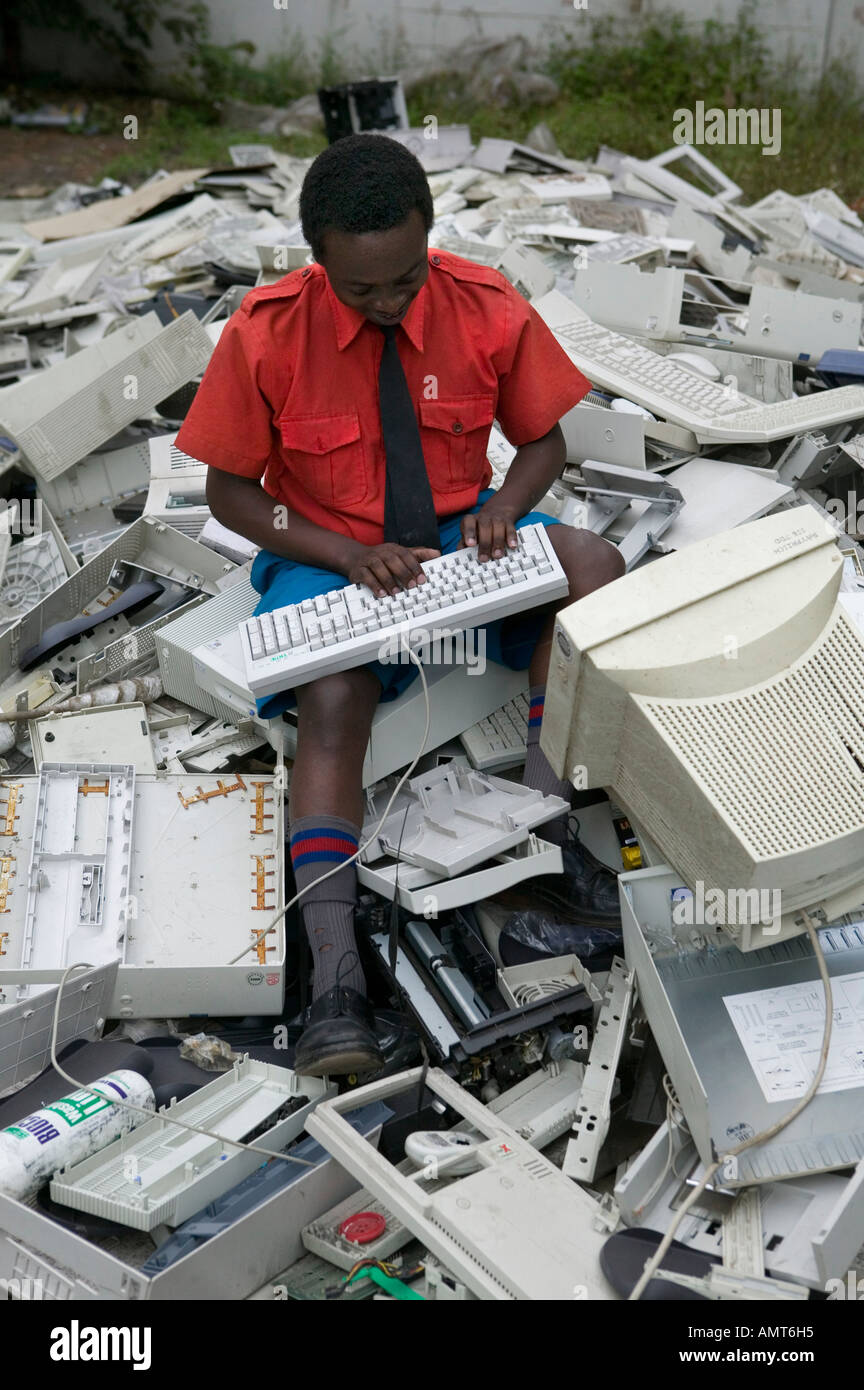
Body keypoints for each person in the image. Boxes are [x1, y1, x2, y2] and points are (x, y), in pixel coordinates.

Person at [175, 134, 625, 1077]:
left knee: (594, 564)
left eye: (405, 281)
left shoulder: (487, 306)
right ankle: (335, 974)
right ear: (317, 257)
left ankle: (548, 841)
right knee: (334, 702)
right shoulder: (263, 332)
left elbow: (545, 444)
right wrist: (342, 550)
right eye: (362, 290)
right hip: (332, 552)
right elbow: (230, 494)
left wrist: (504, 509)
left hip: (466, 537)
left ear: (430, 239)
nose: (388, 304)